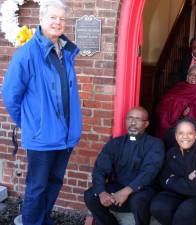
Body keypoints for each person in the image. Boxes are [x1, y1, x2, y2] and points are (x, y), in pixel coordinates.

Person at [1, 0, 82, 224]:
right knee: (37, 186)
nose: (58, 22)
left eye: (62, 19)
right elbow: (10, 94)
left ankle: (43, 219)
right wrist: (31, 123)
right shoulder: (27, 54)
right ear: (41, 19)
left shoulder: (65, 52)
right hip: (42, 136)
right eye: (53, 17)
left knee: (55, 182)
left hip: (65, 135)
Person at [84, 107, 165, 225]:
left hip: (143, 189)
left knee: (138, 201)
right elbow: (100, 169)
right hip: (118, 186)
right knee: (90, 195)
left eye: (138, 119)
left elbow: (149, 172)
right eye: (130, 118)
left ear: (146, 124)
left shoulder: (155, 144)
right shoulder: (115, 143)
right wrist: (101, 192)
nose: (132, 123)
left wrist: (125, 192)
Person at [150, 117, 196, 225]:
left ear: (195, 135)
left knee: (187, 209)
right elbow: (164, 180)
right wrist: (186, 179)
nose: (185, 137)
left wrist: (173, 179)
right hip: (177, 196)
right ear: (175, 136)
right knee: (158, 206)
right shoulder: (171, 153)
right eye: (181, 133)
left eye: (190, 133)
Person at [156, 65, 196, 147]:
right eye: (191, 74)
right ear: (187, 77)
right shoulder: (179, 87)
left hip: (195, 126)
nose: (194, 77)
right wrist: (180, 109)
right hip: (176, 124)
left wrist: (191, 110)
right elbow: (164, 104)